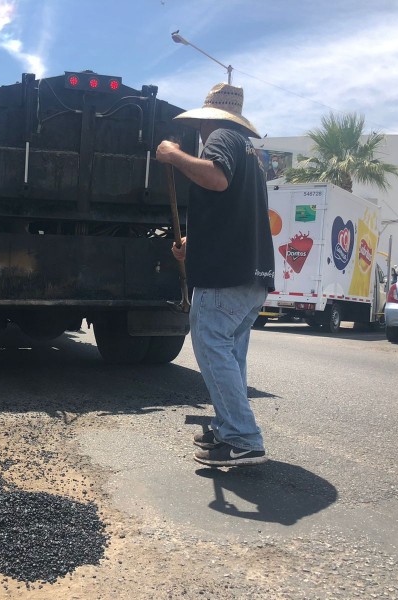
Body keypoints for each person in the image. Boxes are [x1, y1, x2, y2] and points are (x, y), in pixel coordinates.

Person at [156, 82, 275, 467]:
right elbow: (234, 210)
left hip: (226, 274)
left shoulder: (222, 137)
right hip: (251, 273)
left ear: (208, 119)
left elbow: (216, 179)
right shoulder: (252, 154)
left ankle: (243, 437)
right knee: (230, 356)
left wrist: (174, 155)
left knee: (211, 346)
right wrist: (195, 240)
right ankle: (229, 431)